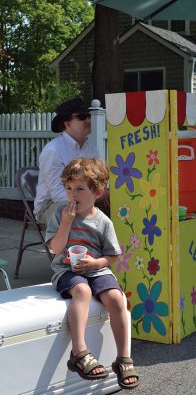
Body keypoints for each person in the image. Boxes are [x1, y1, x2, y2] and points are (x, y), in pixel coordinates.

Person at [45, 157, 139, 390]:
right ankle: (79, 352)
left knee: (117, 299)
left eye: (79, 189)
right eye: (68, 188)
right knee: (82, 291)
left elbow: (113, 256)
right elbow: (55, 249)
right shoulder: (60, 213)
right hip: (66, 270)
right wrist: (66, 223)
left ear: (97, 192)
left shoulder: (103, 221)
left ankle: (123, 359)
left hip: (97, 269)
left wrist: (96, 262)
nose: (72, 194)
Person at [34, 97, 100, 224]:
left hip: (84, 200)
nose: (88, 120)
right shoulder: (53, 151)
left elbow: (98, 180)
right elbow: (58, 194)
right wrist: (90, 199)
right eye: (81, 117)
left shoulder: (91, 149)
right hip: (50, 205)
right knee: (75, 214)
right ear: (67, 123)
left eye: (88, 116)